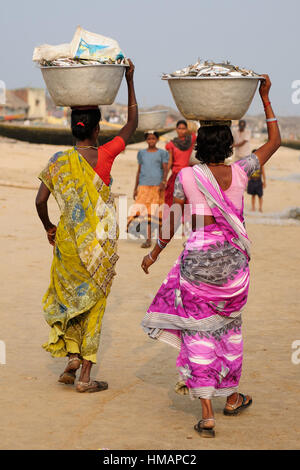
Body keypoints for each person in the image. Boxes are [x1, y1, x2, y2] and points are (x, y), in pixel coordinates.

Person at [141, 75, 280, 437]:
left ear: (199, 145)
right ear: (230, 146)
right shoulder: (242, 171)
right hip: (235, 274)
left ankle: (207, 412)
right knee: (230, 331)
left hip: (197, 273)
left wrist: (154, 253)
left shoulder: (188, 177)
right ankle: (231, 395)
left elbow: (172, 220)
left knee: (199, 335)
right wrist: (265, 97)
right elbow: (276, 141)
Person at [35, 60, 138, 393]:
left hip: (66, 243)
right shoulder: (105, 156)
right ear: (97, 129)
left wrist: (49, 227)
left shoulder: (58, 162)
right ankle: (83, 378)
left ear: (73, 128)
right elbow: (131, 125)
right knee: (94, 305)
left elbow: (39, 202)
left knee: (71, 301)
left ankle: (72, 359)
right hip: (98, 245)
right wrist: (129, 81)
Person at [127, 131, 169, 248]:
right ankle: (148, 238)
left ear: (157, 140)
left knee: (156, 213)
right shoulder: (141, 153)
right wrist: (135, 188)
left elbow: (165, 169)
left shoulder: (162, 153)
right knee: (143, 213)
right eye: (149, 139)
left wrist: (163, 182)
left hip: (157, 187)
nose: (151, 141)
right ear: (146, 140)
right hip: (143, 186)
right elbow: (139, 171)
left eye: (153, 139)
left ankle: (158, 239)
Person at [164, 120, 197, 206]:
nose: (181, 131)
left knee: (187, 201)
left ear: (187, 130)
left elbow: (195, 130)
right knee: (172, 201)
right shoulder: (171, 144)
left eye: (184, 128)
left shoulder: (190, 140)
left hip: (187, 175)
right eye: (179, 128)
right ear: (176, 129)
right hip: (175, 174)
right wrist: (164, 178)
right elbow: (170, 161)